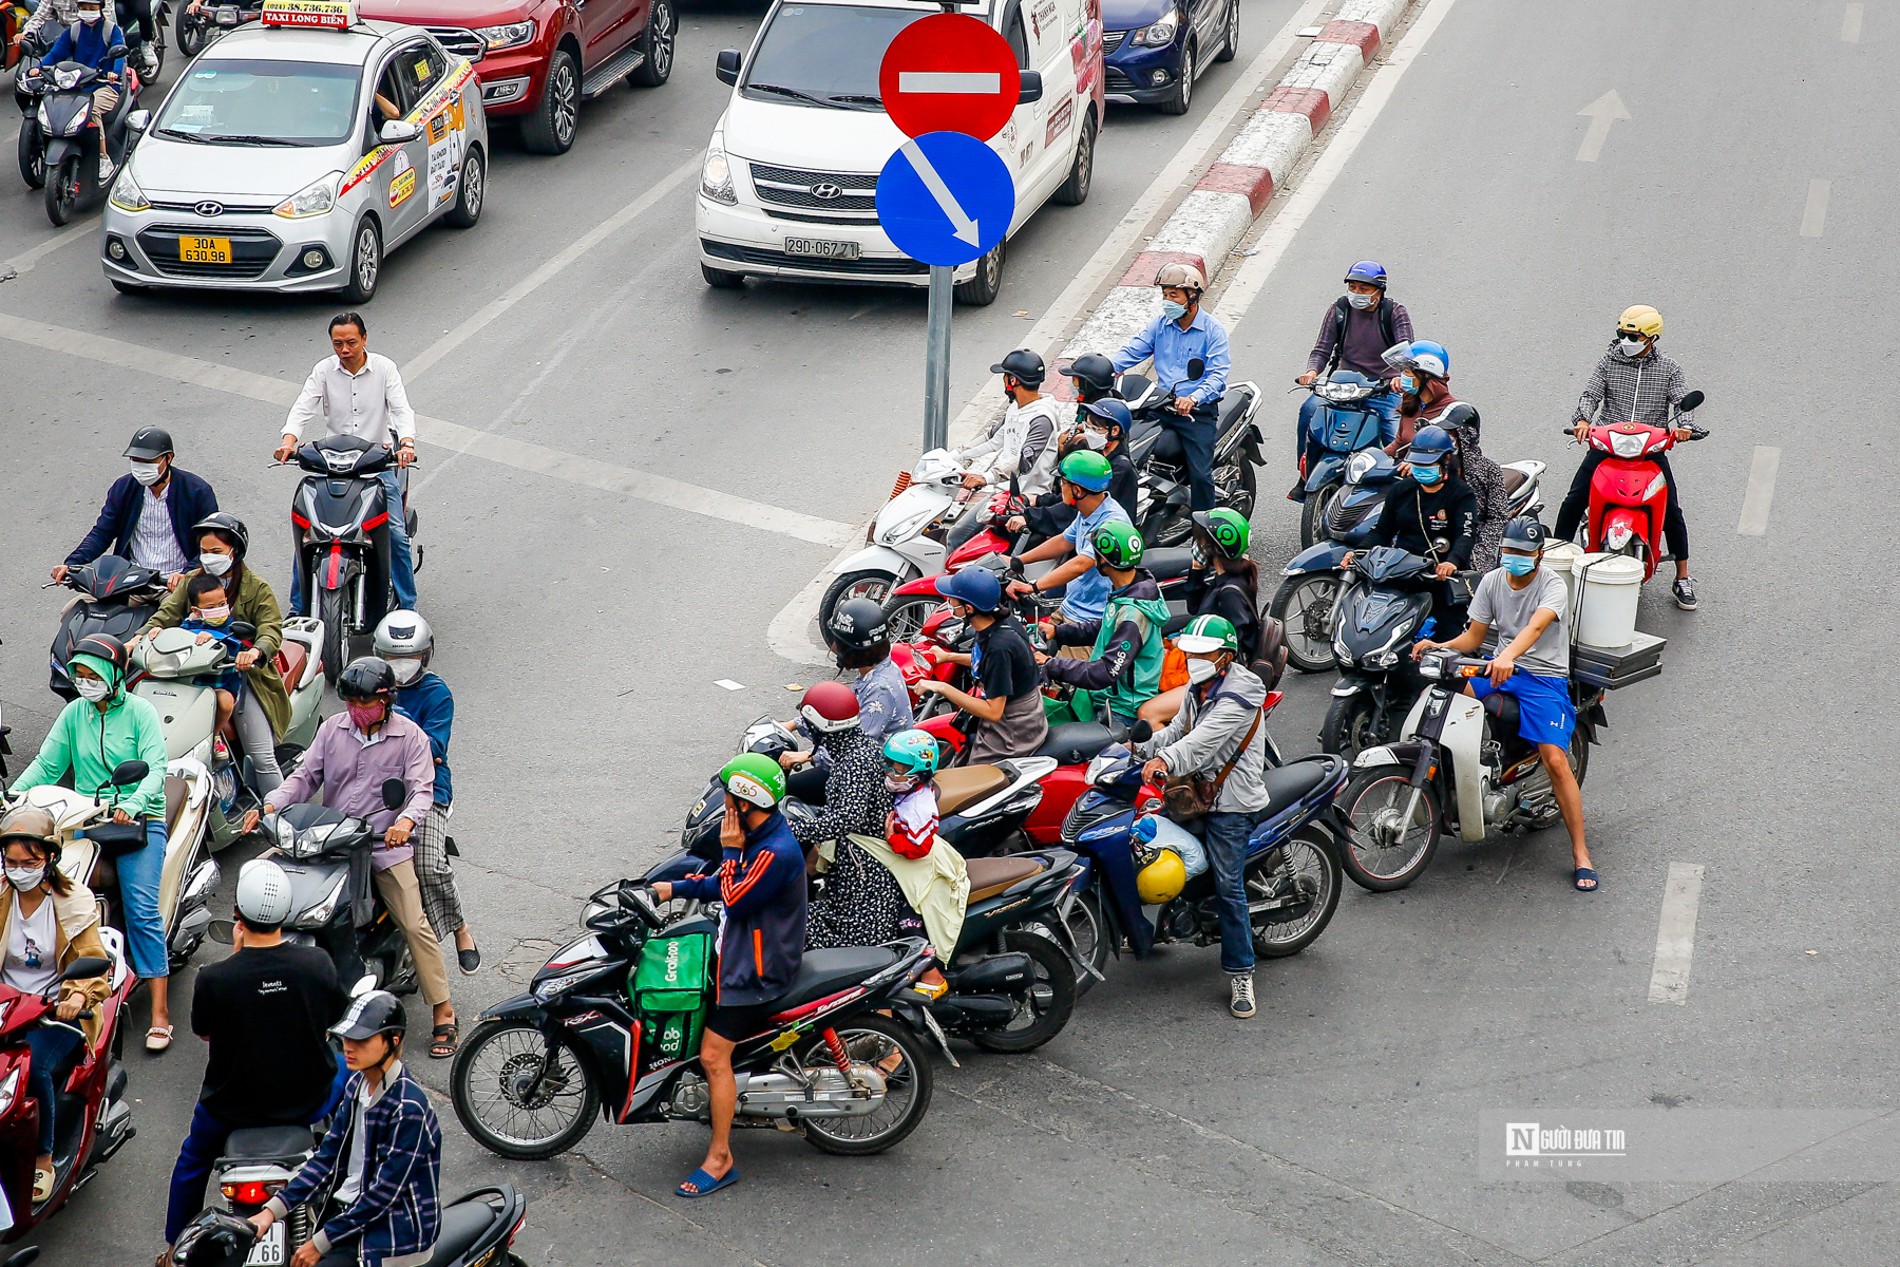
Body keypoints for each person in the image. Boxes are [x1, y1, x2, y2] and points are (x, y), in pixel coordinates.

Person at [242, 658, 456, 1059]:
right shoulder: (332, 730)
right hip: (327, 839)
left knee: (413, 921)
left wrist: (405, 822)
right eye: (351, 703)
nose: (357, 712)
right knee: (259, 886)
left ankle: (443, 1010)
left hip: (381, 845)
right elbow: (305, 777)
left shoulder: (410, 737)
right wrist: (271, 805)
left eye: (365, 704)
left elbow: (422, 791)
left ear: (387, 700)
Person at [162, 860, 346, 1253]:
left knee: (192, 1163)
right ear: (285, 912)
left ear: (237, 917)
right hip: (307, 1103)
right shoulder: (317, 964)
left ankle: (174, 1249)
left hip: (230, 1109)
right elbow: (334, 1019)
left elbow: (204, 1032)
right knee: (348, 1068)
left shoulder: (213, 978)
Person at [8, 634, 174, 1050]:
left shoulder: (141, 712)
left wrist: (134, 803)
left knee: (140, 910)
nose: (85, 682)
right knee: (46, 891)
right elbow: (47, 764)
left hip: (137, 821)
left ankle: (159, 1013)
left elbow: (156, 768)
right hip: (84, 819)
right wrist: (12, 798)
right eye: (79, 675)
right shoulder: (73, 715)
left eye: (92, 674)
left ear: (115, 675)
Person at [651, 756, 806, 1200]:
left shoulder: (773, 851)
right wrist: (671, 888)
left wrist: (732, 848)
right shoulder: (763, 835)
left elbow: (735, 898)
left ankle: (720, 1157)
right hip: (738, 952)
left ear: (746, 801)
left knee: (714, 1057)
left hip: (756, 972)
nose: (724, 805)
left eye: (729, 798)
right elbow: (721, 882)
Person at [1414, 517, 1594, 889]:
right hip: (1498, 669)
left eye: (1524, 553)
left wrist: (1508, 655)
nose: (1515, 558)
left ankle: (1580, 853)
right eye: (1509, 550)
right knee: (1448, 697)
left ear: (1539, 556)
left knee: (1556, 761)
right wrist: (1439, 647)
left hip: (1543, 679)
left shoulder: (1553, 586)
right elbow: (1473, 636)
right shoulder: (1493, 580)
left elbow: (1536, 627)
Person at [1133, 615, 1273, 1019]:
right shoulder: (1201, 685)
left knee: (1229, 887)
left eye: (1201, 653)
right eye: (1189, 652)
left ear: (1225, 656)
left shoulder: (1239, 697)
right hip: (1197, 794)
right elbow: (1178, 729)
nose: (1192, 659)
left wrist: (1163, 759)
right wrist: (1134, 746)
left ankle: (1242, 973)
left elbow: (1198, 744)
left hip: (1231, 803)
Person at [248, 990, 443, 1267]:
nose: (349, 1046)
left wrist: (319, 1243)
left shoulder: (408, 1108)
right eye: (347, 1037)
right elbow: (327, 1157)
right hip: (352, 1213)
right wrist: (271, 1211)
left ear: (392, 1041)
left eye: (361, 1039)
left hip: (392, 1233)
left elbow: (383, 1195)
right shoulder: (357, 1085)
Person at [1554, 304, 1699, 610]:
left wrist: (1685, 426)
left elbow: (1681, 403)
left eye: (1633, 336)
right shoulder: (1609, 361)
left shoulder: (1669, 368)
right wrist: (1583, 420)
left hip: (1650, 449)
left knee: (1671, 510)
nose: (1626, 340)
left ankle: (1682, 576)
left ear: (1651, 339)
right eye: (1623, 333)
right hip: (1608, 445)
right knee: (1574, 498)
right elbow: (1590, 394)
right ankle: (1556, 565)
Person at [134, 514, 290, 796]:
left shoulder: (257, 588)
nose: (208, 558)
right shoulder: (193, 580)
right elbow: (166, 614)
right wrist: (139, 638)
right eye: (204, 551)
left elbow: (271, 629)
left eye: (216, 552)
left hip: (241, 676)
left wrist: (255, 651)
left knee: (263, 757)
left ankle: (279, 815)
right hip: (191, 671)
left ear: (235, 552)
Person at [0, 807, 111, 1204]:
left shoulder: (73, 903)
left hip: (53, 1015)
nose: (18, 870)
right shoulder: (0, 898)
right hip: (5, 1011)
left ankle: (43, 1158)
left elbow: (94, 960)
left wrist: (77, 994)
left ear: (48, 859)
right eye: (11, 862)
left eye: (28, 862)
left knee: (33, 1067)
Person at [279, 313, 418, 615]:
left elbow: (401, 409)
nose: (345, 350)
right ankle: (296, 609)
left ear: (365, 339)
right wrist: (289, 440)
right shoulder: (324, 370)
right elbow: (302, 407)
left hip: (376, 466)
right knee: (308, 532)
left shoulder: (384, 368)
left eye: (351, 342)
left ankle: (408, 606)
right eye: (338, 343)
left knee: (395, 533)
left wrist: (406, 443)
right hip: (333, 466)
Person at [378, 614, 479, 978]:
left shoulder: (436, 694)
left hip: (427, 789)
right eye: (392, 658)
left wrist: (394, 717)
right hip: (374, 787)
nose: (400, 667)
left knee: (430, 865)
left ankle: (458, 928)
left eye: (410, 657)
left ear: (426, 655)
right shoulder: (372, 687)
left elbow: (434, 747)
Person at [781, 686, 919, 951]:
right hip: (861, 861)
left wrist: (796, 830)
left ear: (823, 729)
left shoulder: (853, 762)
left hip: (864, 871)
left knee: (810, 927)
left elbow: (848, 818)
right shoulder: (860, 746)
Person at [1110, 262, 1230, 513]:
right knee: (1123, 446)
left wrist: (1194, 398)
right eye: (1165, 295)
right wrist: (1103, 368)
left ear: (1192, 296)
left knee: (1200, 474)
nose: (1167, 300)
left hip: (1196, 413)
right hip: (1161, 404)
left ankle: (1206, 536)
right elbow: (1134, 350)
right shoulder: (1160, 325)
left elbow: (1218, 374)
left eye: (1173, 295)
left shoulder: (1213, 331)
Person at [1291, 260, 1414, 499]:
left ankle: (1403, 493)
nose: (1357, 294)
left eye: (1364, 289)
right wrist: (1312, 372)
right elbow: (1322, 349)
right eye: (1353, 287)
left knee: (1397, 436)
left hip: (1383, 389)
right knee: (1309, 411)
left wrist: (1401, 377)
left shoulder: (1395, 312)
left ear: (1379, 291)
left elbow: (1406, 354)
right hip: (1344, 386)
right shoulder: (1339, 309)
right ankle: (1306, 472)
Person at [1345, 425, 1478, 634]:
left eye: (1428, 464)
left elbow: (1466, 534)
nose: (1421, 469)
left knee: (1449, 633)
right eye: (1417, 464)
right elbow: (1382, 530)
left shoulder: (1461, 494)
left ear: (1445, 461)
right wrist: (1358, 553)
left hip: (1438, 577)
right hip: (1401, 572)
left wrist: (1452, 562)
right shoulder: (1401, 490)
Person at [1039, 521, 1170, 728]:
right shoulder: (1129, 590)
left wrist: (1053, 665)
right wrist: (1057, 632)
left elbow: (1106, 672)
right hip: (1104, 697)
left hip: (1121, 709)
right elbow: (1104, 628)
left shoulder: (1132, 614)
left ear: (1105, 560)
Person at [54, 426, 218, 589]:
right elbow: (102, 532)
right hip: (130, 582)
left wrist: (187, 574)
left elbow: (212, 545)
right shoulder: (123, 487)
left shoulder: (197, 492)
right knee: (73, 611)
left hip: (175, 585)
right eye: (135, 460)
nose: (140, 467)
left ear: (168, 458)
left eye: (148, 461)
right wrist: (72, 564)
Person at [1141, 509, 1261, 729]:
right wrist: (1196, 570)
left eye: (1201, 541)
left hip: (1215, 676)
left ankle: (1180, 758)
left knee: (1148, 713)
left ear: (1213, 548)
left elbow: (1236, 642)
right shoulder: (1224, 579)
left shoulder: (1230, 593)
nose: (1196, 545)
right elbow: (1196, 607)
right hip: (1204, 665)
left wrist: (1191, 646)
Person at [918, 567, 1048, 764]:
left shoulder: (999, 646)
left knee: (975, 780)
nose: (949, 603)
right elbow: (988, 663)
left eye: (953, 600)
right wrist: (948, 657)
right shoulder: (996, 622)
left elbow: (993, 712)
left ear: (969, 609)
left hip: (1014, 728)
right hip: (1011, 708)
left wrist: (943, 688)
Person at [945, 349, 1064, 553]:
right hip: (1004, 492)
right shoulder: (1016, 407)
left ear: (1014, 380)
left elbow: (1025, 462)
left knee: (958, 537)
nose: (1003, 380)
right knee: (957, 537)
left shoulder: (1041, 418)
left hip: (1026, 497)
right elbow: (992, 439)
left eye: (1005, 376)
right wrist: (954, 456)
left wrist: (987, 477)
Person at [1003, 450, 1132, 628]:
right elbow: (1064, 541)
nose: (1060, 487)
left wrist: (1034, 587)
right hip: (1071, 605)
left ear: (1077, 490)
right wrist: (1016, 560)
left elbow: (1081, 564)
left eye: (1063, 482)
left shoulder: (1111, 523)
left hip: (1090, 618)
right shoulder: (1089, 512)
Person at [1006, 400, 1140, 548]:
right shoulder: (1098, 454)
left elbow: (1078, 505)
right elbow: (1071, 494)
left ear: (1114, 431)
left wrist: (1030, 518)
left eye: (1095, 428)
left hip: (1105, 543)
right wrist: (1036, 500)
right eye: (1088, 426)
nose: (1088, 432)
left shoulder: (1118, 468)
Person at [31, 0, 122, 176]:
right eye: (84, 8)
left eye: (92, 8)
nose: (88, 11)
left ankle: (103, 158)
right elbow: (57, 53)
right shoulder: (74, 30)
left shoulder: (111, 29)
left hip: (105, 85)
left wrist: (115, 73)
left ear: (100, 9)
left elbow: (119, 53)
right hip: (79, 84)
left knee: (92, 110)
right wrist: (40, 67)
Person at [819, 599, 914, 748]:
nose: (834, 648)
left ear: (852, 651)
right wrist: (796, 724)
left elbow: (855, 746)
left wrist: (810, 756)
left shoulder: (880, 690)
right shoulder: (880, 668)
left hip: (875, 765)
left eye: (839, 643)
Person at [177, 572, 246, 747]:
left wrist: (214, 638)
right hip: (190, 685)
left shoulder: (230, 627)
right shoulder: (188, 626)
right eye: (211, 607)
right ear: (196, 611)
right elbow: (176, 639)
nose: (218, 610)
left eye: (222, 604)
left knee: (224, 702)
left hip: (220, 686)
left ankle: (214, 736)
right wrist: (157, 634)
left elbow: (235, 645)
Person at [880, 731, 941, 859]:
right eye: (889, 767)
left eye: (896, 772)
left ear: (914, 779)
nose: (889, 774)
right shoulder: (905, 788)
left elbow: (921, 848)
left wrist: (892, 838)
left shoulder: (915, 812)